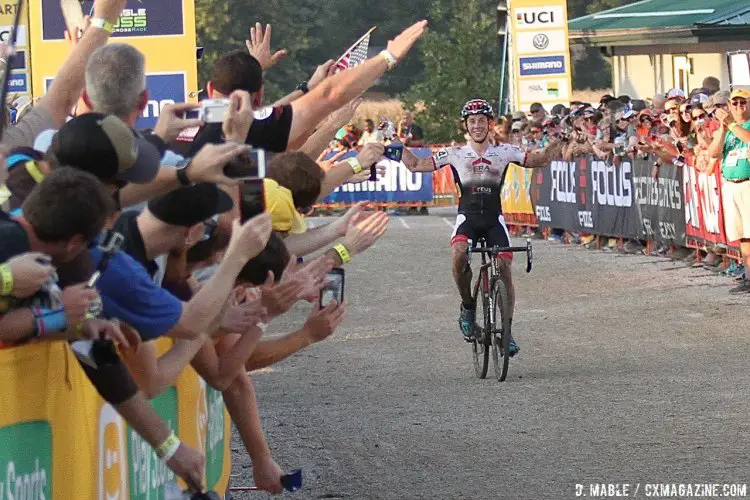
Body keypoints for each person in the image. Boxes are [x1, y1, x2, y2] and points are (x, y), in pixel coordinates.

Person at [401, 99, 563, 354]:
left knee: (505, 269)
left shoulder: (506, 152)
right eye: (471, 121)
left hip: (493, 219)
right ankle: (467, 308)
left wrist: (559, 141)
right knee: (458, 255)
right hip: (468, 219)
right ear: (466, 125)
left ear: (490, 123)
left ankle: (507, 332)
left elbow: (540, 159)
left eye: (481, 121)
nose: (477, 126)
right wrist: (395, 143)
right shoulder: (454, 153)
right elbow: (415, 165)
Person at [710, 89, 750, 293]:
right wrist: (723, 130)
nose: (738, 107)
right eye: (734, 103)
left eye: (743, 102)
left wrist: (732, 124)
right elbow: (713, 153)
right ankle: (748, 276)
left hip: (748, 183)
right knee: (743, 236)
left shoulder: (743, 126)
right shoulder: (727, 129)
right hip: (732, 184)